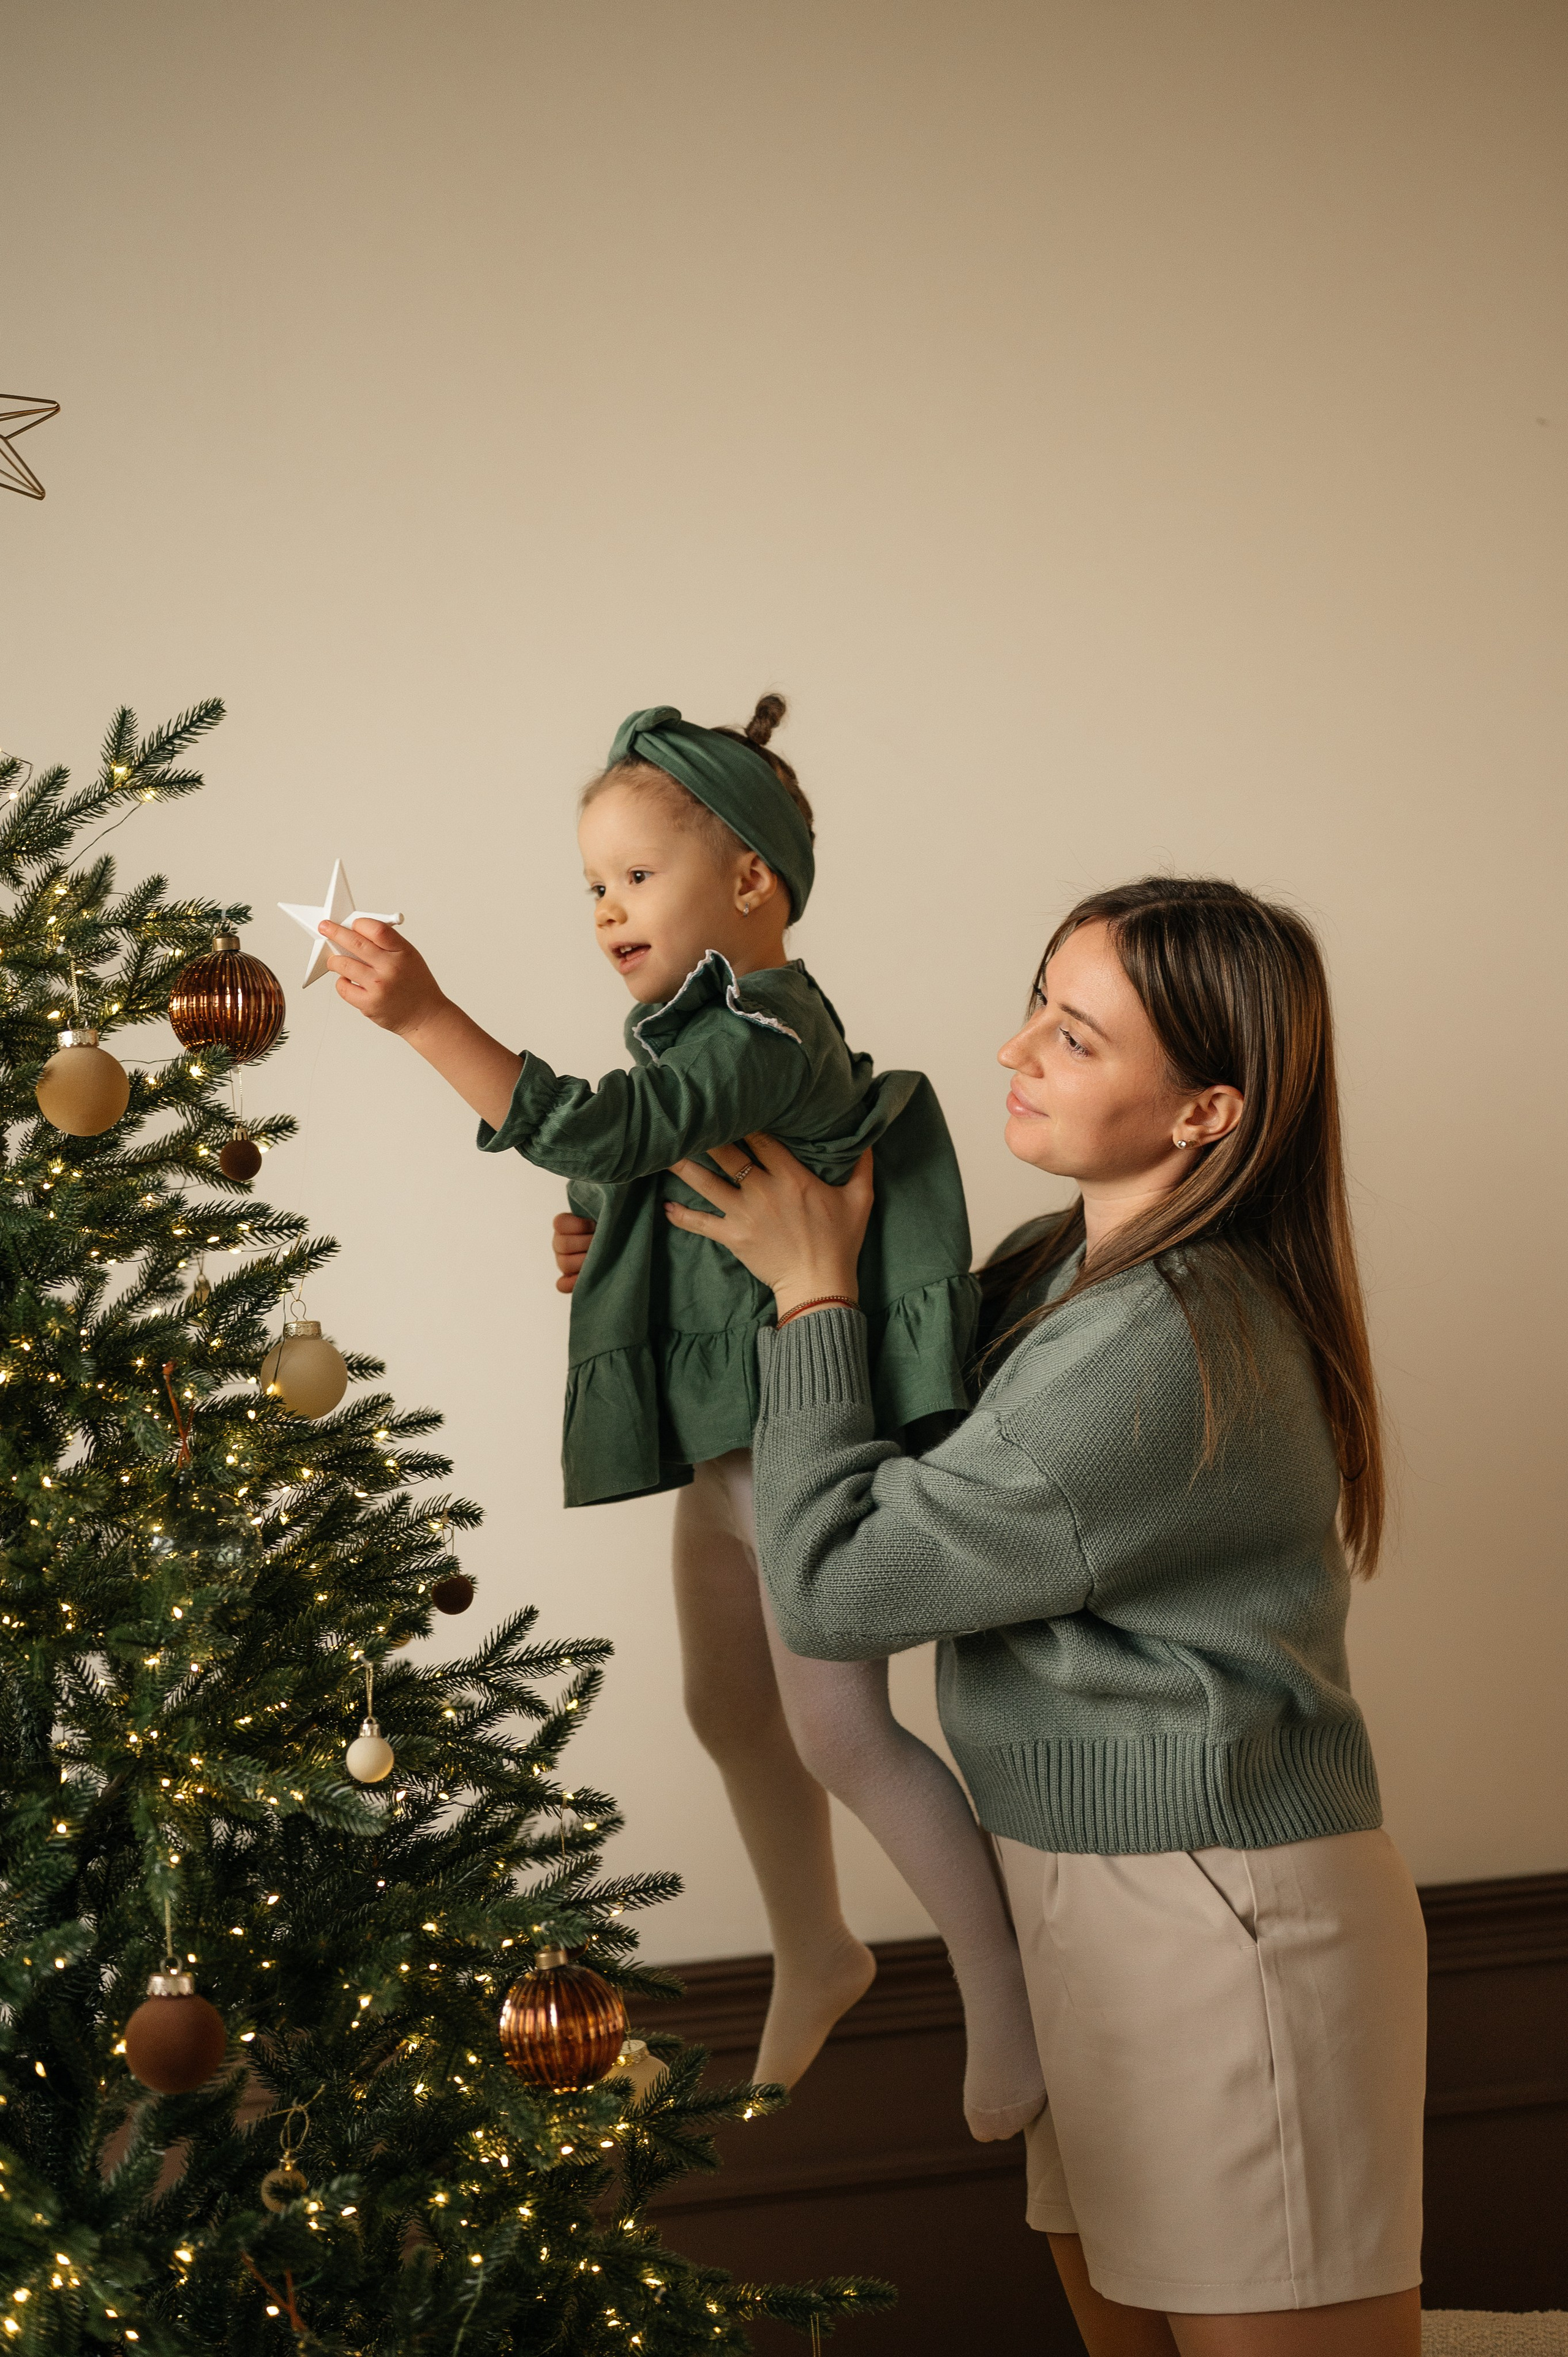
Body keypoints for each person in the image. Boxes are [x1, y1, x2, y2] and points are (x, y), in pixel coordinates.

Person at [663, 877, 1426, 2356]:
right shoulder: (1052, 1277)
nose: (1013, 1054)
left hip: (1214, 1914)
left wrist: (813, 1306)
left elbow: (835, 1583)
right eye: (1035, 1007)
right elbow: (867, 1416)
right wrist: (724, 1282)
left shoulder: (1164, 1345)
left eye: (1073, 1037)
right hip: (1071, 1887)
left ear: (1205, 1111)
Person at [315, 696, 1046, 2138]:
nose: (604, 910)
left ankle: (1006, 1991)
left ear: (750, 883)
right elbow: (634, 1173)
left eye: (635, 876)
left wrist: (423, 1018)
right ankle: (816, 1947)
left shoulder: (769, 1028)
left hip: (799, 1422)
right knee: (726, 1707)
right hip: (727, 1440)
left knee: (838, 1729)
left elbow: (603, 1128)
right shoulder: (694, 1034)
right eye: (590, 884)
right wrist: (608, 1247)